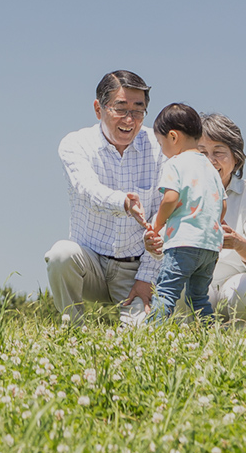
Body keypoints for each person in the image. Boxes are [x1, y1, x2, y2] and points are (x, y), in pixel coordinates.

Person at [45, 71, 164, 326]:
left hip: (135, 270)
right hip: (91, 264)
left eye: (138, 110)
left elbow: (164, 217)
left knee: (139, 342)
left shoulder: (159, 147)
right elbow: (86, 189)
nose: (129, 120)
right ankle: (73, 331)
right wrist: (123, 202)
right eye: (120, 109)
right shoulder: (75, 144)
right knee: (60, 255)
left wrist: (146, 277)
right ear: (99, 109)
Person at [125, 103, 225, 322]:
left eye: (161, 143)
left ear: (173, 137)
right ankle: (212, 335)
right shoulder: (210, 167)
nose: (162, 149)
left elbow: (171, 197)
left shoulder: (175, 163)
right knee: (198, 298)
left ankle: (152, 336)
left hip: (184, 244)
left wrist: (157, 225)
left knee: (166, 292)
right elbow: (222, 205)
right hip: (210, 247)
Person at [199, 114, 246, 320]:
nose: (210, 160)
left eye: (218, 152)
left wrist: (237, 242)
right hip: (197, 281)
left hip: (236, 280)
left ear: (236, 158)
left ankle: (239, 340)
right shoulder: (183, 192)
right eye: (202, 152)